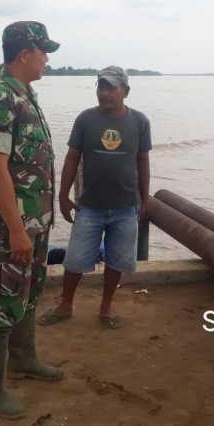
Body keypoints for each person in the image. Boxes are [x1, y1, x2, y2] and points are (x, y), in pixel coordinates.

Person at [0, 21, 63, 419]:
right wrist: (14, 229)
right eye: (43, 51)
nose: (47, 58)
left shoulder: (23, 94)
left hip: (36, 219)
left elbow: (9, 156)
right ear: (24, 53)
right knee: (3, 300)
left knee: (30, 291)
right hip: (17, 224)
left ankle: (24, 359)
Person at [38, 66, 151, 330]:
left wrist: (145, 200)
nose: (105, 93)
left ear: (126, 91)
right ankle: (65, 305)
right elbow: (72, 158)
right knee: (75, 259)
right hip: (89, 206)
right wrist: (63, 196)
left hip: (126, 207)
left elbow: (143, 161)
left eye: (111, 87)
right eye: (101, 87)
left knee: (116, 260)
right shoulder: (86, 120)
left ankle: (106, 308)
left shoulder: (140, 122)